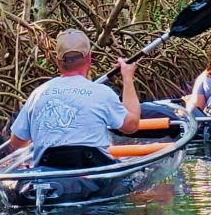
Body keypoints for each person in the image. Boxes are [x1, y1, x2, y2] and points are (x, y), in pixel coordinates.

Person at [9, 29, 141, 166]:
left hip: (48, 176)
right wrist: (127, 77)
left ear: (58, 61)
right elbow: (131, 125)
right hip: (95, 176)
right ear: (89, 58)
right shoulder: (103, 93)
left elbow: (17, 143)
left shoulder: (37, 95)